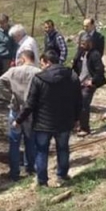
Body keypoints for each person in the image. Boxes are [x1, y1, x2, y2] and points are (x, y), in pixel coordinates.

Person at [14, 50, 82, 187]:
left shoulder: (39, 78)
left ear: (48, 62)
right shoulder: (72, 76)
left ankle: (42, 181)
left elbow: (30, 104)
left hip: (43, 124)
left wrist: (19, 120)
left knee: (42, 151)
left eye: (42, 63)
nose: (41, 66)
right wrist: (77, 119)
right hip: (64, 121)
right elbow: (78, 100)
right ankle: (62, 175)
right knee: (63, 149)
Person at [0, 50, 41, 181]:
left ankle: (14, 173)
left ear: (23, 58)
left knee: (14, 142)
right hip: (31, 111)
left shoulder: (13, 71)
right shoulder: (38, 73)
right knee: (30, 141)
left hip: (15, 109)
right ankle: (30, 168)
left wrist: (10, 96)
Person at [72, 34, 106, 137]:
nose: (82, 45)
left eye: (84, 44)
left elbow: (100, 70)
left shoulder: (95, 55)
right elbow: (75, 66)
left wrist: (93, 81)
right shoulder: (81, 53)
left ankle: (85, 128)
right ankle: (75, 123)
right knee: (75, 102)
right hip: (79, 82)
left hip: (89, 84)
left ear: (90, 43)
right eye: (81, 43)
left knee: (84, 104)